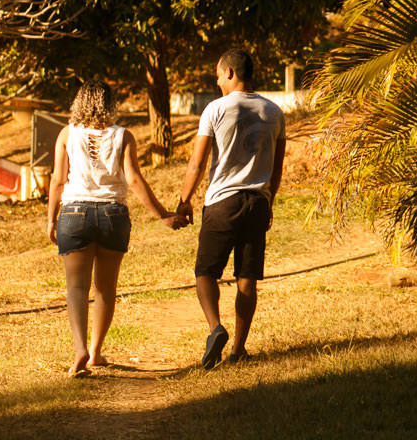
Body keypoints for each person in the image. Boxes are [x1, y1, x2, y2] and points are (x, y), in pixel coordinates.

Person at [47, 79, 185, 377]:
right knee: (105, 288)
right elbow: (134, 180)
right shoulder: (124, 136)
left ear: (79, 102)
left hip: (73, 214)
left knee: (76, 287)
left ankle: (79, 349)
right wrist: (162, 215)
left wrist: (50, 219)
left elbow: (58, 180)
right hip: (113, 215)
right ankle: (96, 352)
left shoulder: (66, 134)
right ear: (110, 104)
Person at [177, 48, 286, 369]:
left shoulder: (215, 109)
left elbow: (197, 162)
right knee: (247, 277)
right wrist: (269, 202)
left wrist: (184, 201)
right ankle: (238, 349)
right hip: (257, 202)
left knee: (205, 272)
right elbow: (277, 169)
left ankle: (215, 328)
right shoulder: (275, 112)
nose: (215, 79)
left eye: (217, 72)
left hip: (222, 202)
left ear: (229, 73)